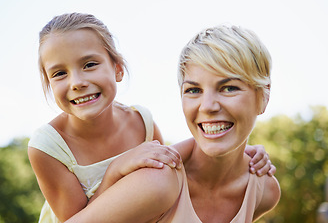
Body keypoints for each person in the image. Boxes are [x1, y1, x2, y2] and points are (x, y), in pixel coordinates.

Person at [28, 12, 275, 223]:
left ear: (118, 69)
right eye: (59, 73)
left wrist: (242, 151)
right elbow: (81, 217)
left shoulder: (141, 122)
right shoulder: (47, 147)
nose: (77, 82)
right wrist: (115, 170)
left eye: (90, 65)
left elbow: (171, 158)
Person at [167, 25, 281, 222]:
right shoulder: (157, 183)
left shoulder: (265, 192)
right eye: (193, 90)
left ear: (264, 96)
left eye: (228, 88)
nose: (207, 106)